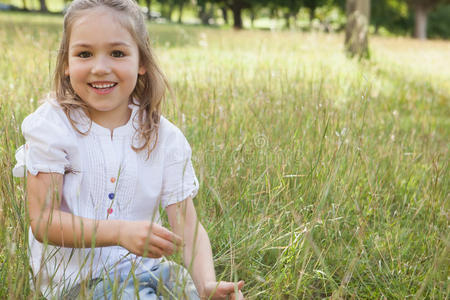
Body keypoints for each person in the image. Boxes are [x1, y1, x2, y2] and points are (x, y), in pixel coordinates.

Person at [12, 0, 245, 299]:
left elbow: (187, 224)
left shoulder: (165, 137)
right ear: (67, 63)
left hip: (146, 272)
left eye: (118, 53)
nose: (100, 67)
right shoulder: (52, 127)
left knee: (184, 291)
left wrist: (206, 284)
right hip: (78, 284)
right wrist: (119, 233)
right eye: (84, 54)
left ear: (141, 61)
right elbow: (44, 221)